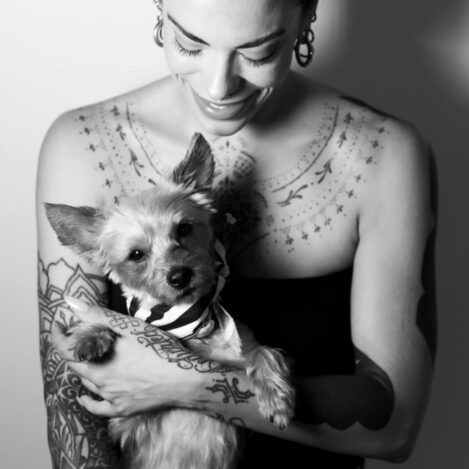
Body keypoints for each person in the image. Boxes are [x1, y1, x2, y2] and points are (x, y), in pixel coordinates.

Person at [36, 0, 437, 467]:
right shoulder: (82, 146)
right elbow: (73, 421)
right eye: (190, 44)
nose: (218, 87)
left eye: (257, 52)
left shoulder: (383, 155)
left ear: (307, 14)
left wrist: (183, 381)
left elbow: (396, 431)